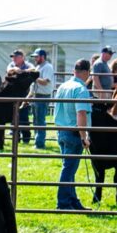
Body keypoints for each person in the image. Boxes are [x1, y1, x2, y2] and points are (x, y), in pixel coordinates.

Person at [52, 58, 93, 210]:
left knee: (70, 168)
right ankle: (63, 202)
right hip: (74, 133)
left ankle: (72, 200)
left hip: (62, 130)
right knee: (69, 168)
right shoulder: (81, 90)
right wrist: (84, 136)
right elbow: (81, 114)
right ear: (87, 72)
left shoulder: (63, 86)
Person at [7, 49, 35, 143]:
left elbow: (33, 69)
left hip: (24, 94)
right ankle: (16, 137)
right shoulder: (12, 65)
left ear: (22, 57)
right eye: (13, 57)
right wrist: (15, 69)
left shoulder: (28, 65)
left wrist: (22, 71)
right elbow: (8, 70)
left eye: (16, 57)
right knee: (14, 117)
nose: (14, 59)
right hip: (13, 95)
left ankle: (26, 138)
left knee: (24, 117)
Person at [31, 48, 55, 149]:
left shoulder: (47, 67)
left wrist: (32, 77)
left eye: (37, 56)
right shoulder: (38, 67)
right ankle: (37, 141)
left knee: (40, 120)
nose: (35, 58)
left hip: (43, 95)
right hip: (36, 95)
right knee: (36, 120)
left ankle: (40, 143)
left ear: (42, 57)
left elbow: (45, 81)